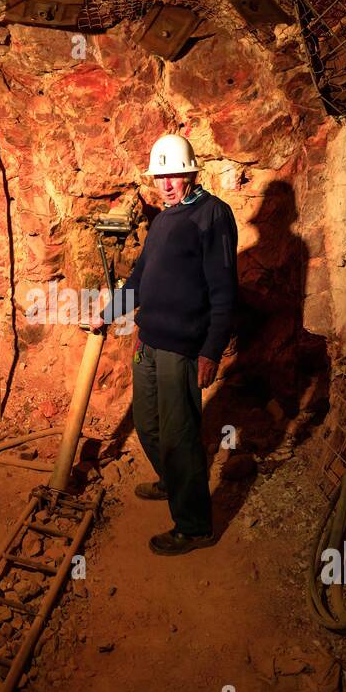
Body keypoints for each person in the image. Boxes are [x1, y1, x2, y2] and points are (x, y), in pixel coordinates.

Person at [89, 133, 238, 556]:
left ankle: (194, 527)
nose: (167, 184)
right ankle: (172, 480)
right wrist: (110, 313)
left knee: (179, 434)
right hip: (149, 341)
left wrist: (210, 350)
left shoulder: (213, 216)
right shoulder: (165, 219)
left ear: (191, 172)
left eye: (174, 174)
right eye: (161, 176)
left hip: (182, 348)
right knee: (148, 423)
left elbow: (224, 291)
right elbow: (139, 279)